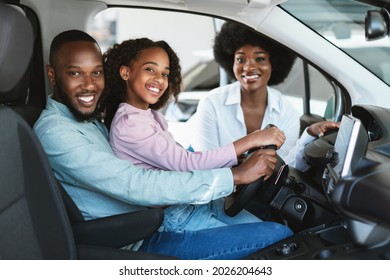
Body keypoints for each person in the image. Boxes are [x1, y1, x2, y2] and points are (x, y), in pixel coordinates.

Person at [33, 29, 293, 260]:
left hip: (155, 219)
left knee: (275, 225)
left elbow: (170, 159)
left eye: (96, 72)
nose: (89, 84)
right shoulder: (57, 132)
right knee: (279, 237)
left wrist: (233, 168)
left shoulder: (86, 119)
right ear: (52, 75)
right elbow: (136, 183)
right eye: (75, 73)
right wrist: (235, 176)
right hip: (139, 239)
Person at [102, 37, 286, 232]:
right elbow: (186, 164)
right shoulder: (130, 123)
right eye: (150, 69)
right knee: (276, 236)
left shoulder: (146, 115)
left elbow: (181, 161)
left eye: (165, 74)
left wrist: (239, 160)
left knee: (271, 228)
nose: (159, 79)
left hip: (192, 203)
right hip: (176, 217)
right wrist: (252, 139)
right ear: (125, 72)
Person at [191, 21, 340, 171]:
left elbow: (285, 166)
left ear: (273, 63)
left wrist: (309, 133)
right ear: (231, 62)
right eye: (241, 60)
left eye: (260, 59)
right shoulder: (211, 103)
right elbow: (205, 165)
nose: (248, 67)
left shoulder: (286, 111)